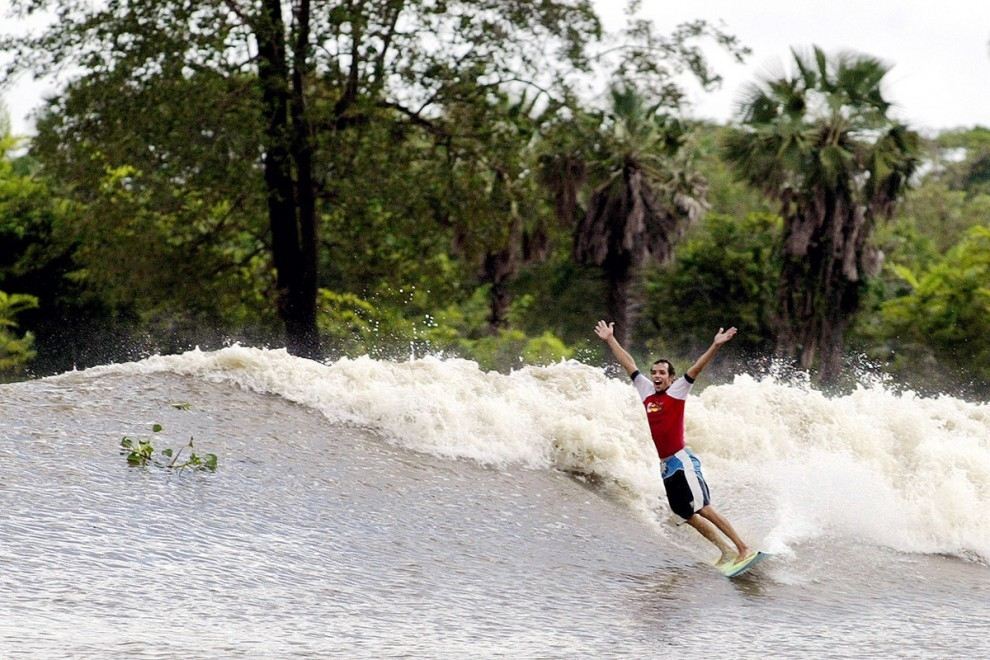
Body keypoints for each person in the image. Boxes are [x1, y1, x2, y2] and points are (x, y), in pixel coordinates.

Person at [594, 320, 752, 566]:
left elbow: (697, 368)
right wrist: (610, 339)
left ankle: (743, 547)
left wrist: (716, 345)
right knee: (686, 513)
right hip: (666, 466)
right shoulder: (646, 391)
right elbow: (629, 365)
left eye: (662, 373)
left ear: (671, 378)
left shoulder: (677, 391)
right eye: (654, 372)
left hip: (681, 460)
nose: (656, 376)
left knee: (704, 508)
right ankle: (726, 551)